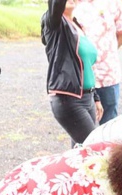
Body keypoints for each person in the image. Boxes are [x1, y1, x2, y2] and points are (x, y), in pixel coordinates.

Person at [41, 0, 103, 146]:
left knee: (79, 153)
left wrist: (95, 96)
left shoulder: (77, 25)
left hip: (87, 97)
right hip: (69, 99)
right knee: (95, 147)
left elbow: (86, 67)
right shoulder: (53, 22)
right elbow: (56, 7)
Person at [74, 0, 122, 124]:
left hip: (107, 74)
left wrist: (106, 53)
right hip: (80, 74)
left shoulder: (114, 3)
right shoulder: (72, 3)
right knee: (81, 126)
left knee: (108, 123)